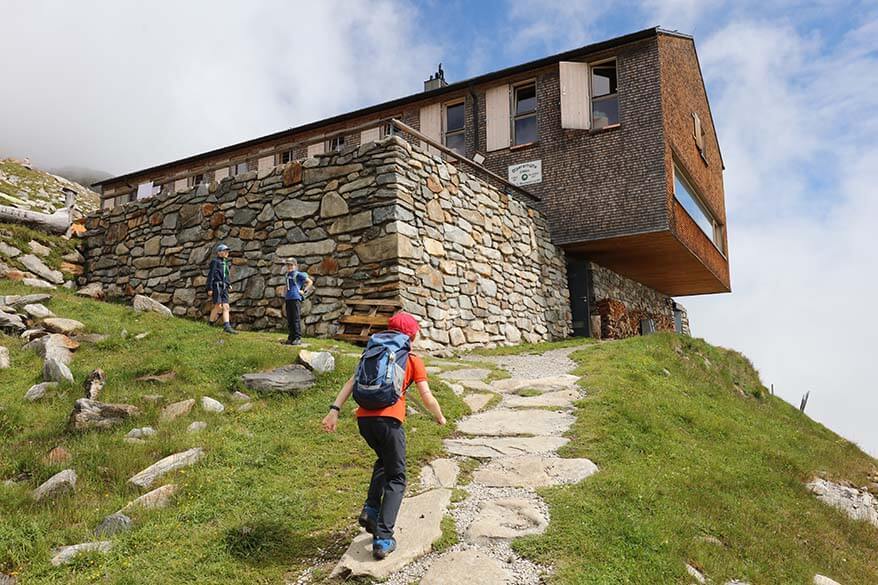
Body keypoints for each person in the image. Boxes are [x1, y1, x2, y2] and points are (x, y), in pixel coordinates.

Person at [322, 312, 446, 560]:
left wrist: (334, 411)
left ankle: (370, 510)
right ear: (411, 336)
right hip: (389, 423)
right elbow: (426, 397)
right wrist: (440, 417)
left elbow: (350, 382)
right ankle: (383, 537)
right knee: (397, 477)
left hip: (365, 421)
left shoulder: (372, 353)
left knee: (384, 460)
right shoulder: (410, 359)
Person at [206, 243, 236, 334]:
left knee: (226, 306)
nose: (227, 253)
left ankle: (227, 326)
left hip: (224, 287)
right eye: (225, 251)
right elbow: (211, 275)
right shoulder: (215, 262)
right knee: (218, 306)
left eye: (227, 251)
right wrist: (209, 288)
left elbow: (226, 275)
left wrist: (228, 283)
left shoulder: (225, 262)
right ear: (219, 252)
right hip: (217, 286)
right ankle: (210, 323)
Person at [282, 257, 313, 346]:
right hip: (288, 298)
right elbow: (286, 286)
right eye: (288, 265)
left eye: (291, 265)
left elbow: (310, 282)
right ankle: (291, 337)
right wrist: (284, 294)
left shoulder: (298, 274)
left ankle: (297, 338)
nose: (289, 266)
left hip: (295, 298)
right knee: (290, 319)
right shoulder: (287, 275)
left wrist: (304, 291)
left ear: (295, 265)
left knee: (295, 318)